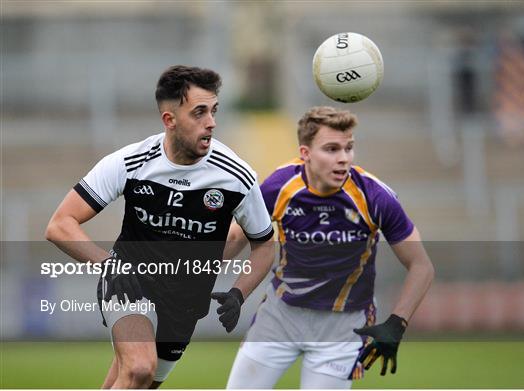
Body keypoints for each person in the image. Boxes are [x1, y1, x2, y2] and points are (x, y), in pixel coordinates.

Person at [45, 65, 275, 389]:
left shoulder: (236, 175)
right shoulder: (130, 162)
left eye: (214, 111)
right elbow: (59, 224)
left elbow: (264, 244)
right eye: (199, 113)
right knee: (140, 368)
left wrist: (239, 292)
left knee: (134, 380)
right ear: (170, 120)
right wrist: (110, 267)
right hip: (130, 284)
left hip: (185, 302)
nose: (211, 123)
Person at [224, 106, 434, 389]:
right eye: (332, 149)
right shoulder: (280, 185)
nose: (343, 159)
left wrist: (397, 323)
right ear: (305, 153)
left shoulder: (375, 196)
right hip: (280, 317)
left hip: (343, 329)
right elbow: (237, 236)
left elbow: (421, 266)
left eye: (349, 148)